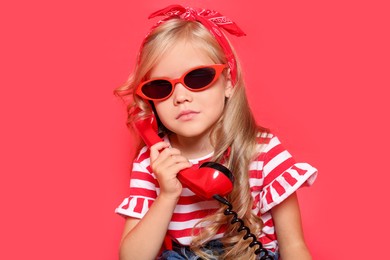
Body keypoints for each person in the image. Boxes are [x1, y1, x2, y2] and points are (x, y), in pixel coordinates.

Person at [115, 4, 317, 260]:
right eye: (160, 87)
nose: (181, 97)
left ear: (228, 83)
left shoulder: (263, 151)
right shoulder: (151, 162)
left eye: (198, 78)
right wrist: (167, 195)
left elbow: (295, 247)